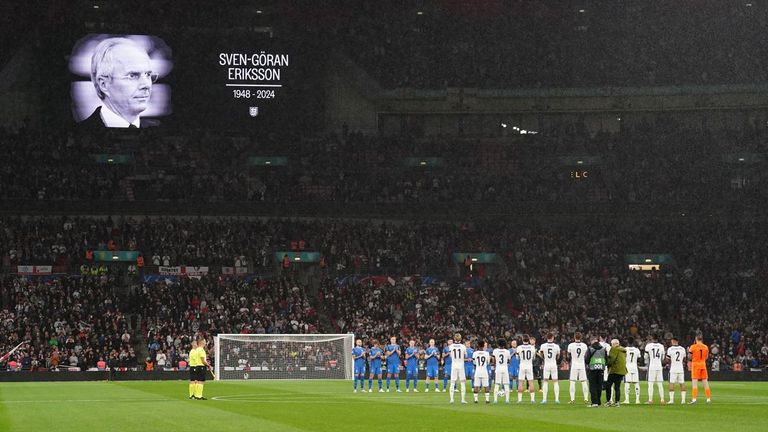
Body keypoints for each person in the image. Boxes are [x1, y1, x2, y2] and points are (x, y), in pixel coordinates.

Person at [80, 37, 159, 129]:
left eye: (148, 74)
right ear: (104, 85)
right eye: (132, 75)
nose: (146, 85)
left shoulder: (160, 131)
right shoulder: (80, 133)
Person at [567, 332, 589, 404]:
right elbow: (586, 355)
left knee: (572, 382)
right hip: (582, 365)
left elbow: (568, 355)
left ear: (574, 337)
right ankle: (586, 399)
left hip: (574, 365)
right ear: (581, 337)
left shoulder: (571, 345)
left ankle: (572, 399)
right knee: (584, 382)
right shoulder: (584, 345)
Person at [539, 332, 561, 404]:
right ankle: (557, 399)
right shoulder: (556, 346)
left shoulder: (543, 346)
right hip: (553, 364)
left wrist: (544, 357)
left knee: (545, 381)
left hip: (547, 364)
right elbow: (558, 356)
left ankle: (544, 399)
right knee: (555, 382)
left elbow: (541, 355)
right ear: (553, 338)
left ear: (547, 338)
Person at [689, 335, 711, 404]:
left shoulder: (693, 346)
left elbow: (689, 357)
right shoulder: (705, 347)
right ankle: (708, 399)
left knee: (694, 382)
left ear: (696, 339)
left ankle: (694, 399)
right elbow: (706, 357)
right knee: (705, 382)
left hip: (695, 365)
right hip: (703, 365)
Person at [585, 335, 607, 407]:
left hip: (592, 369)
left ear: (591, 341)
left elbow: (587, 360)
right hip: (601, 369)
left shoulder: (590, 348)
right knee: (599, 385)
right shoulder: (603, 349)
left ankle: (594, 402)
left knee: (592, 386)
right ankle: (598, 401)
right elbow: (606, 360)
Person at [645, 334, 666, 404]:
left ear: (652, 338)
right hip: (659, 366)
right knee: (660, 384)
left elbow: (645, 357)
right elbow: (663, 358)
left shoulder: (648, 346)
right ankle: (662, 400)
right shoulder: (661, 346)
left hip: (652, 366)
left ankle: (650, 400)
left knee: (650, 384)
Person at [605, 338, 627, 407]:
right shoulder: (623, 350)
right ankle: (617, 402)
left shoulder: (614, 349)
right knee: (617, 387)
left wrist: (606, 363)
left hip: (614, 370)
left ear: (614, 344)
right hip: (622, 371)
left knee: (608, 386)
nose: (611, 345)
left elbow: (611, 360)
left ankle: (608, 401)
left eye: (612, 344)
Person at [447, 333, 468, 404]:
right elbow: (465, 356)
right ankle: (462, 399)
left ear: (454, 339)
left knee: (452, 382)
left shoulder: (451, 346)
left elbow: (450, 356)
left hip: (454, 365)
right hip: (461, 365)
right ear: (460, 339)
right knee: (462, 382)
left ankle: (452, 399)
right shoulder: (463, 346)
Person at [666, 336, 687, 404]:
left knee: (671, 383)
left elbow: (667, 359)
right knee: (682, 383)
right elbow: (684, 359)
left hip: (673, 368)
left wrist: (671, 363)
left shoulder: (670, 349)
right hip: (680, 368)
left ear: (674, 341)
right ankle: (683, 400)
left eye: (672, 341)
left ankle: (671, 400)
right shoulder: (682, 349)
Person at [516, 335, 537, 403]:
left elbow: (517, 358)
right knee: (531, 382)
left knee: (521, 382)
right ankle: (532, 399)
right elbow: (534, 358)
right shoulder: (532, 347)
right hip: (529, 365)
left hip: (522, 365)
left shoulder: (519, 347)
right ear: (528, 340)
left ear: (522, 339)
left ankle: (519, 400)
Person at [492, 338, 511, 403]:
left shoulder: (495, 351)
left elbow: (493, 360)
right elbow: (509, 361)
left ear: (498, 344)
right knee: (506, 384)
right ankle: (507, 400)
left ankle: (495, 400)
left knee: (497, 384)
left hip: (498, 368)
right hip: (505, 368)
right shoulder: (507, 351)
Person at [623, 340, 642, 404]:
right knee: (636, 383)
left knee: (627, 383)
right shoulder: (637, 350)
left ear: (627, 342)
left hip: (627, 367)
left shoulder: (625, 349)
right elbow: (639, 359)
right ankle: (637, 400)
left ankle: (627, 400)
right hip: (634, 367)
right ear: (633, 342)